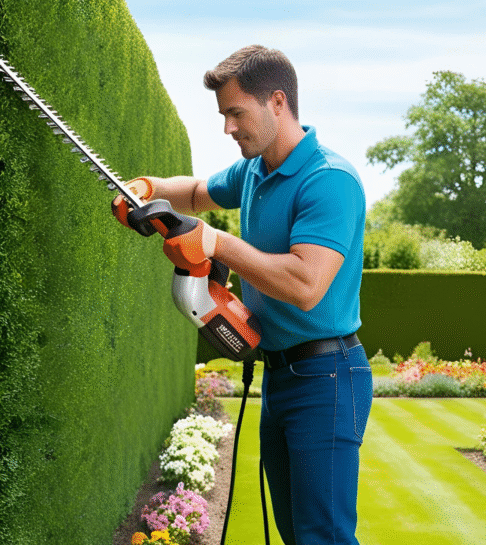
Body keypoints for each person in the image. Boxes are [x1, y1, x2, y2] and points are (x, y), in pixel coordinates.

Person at [114, 45, 372, 545]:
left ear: (277, 102)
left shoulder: (329, 180)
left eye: (237, 113)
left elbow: (305, 284)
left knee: (324, 535)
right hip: (281, 373)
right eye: (224, 115)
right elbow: (193, 192)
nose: (228, 128)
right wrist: (145, 190)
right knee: (295, 532)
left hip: (327, 377)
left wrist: (215, 242)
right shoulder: (253, 171)